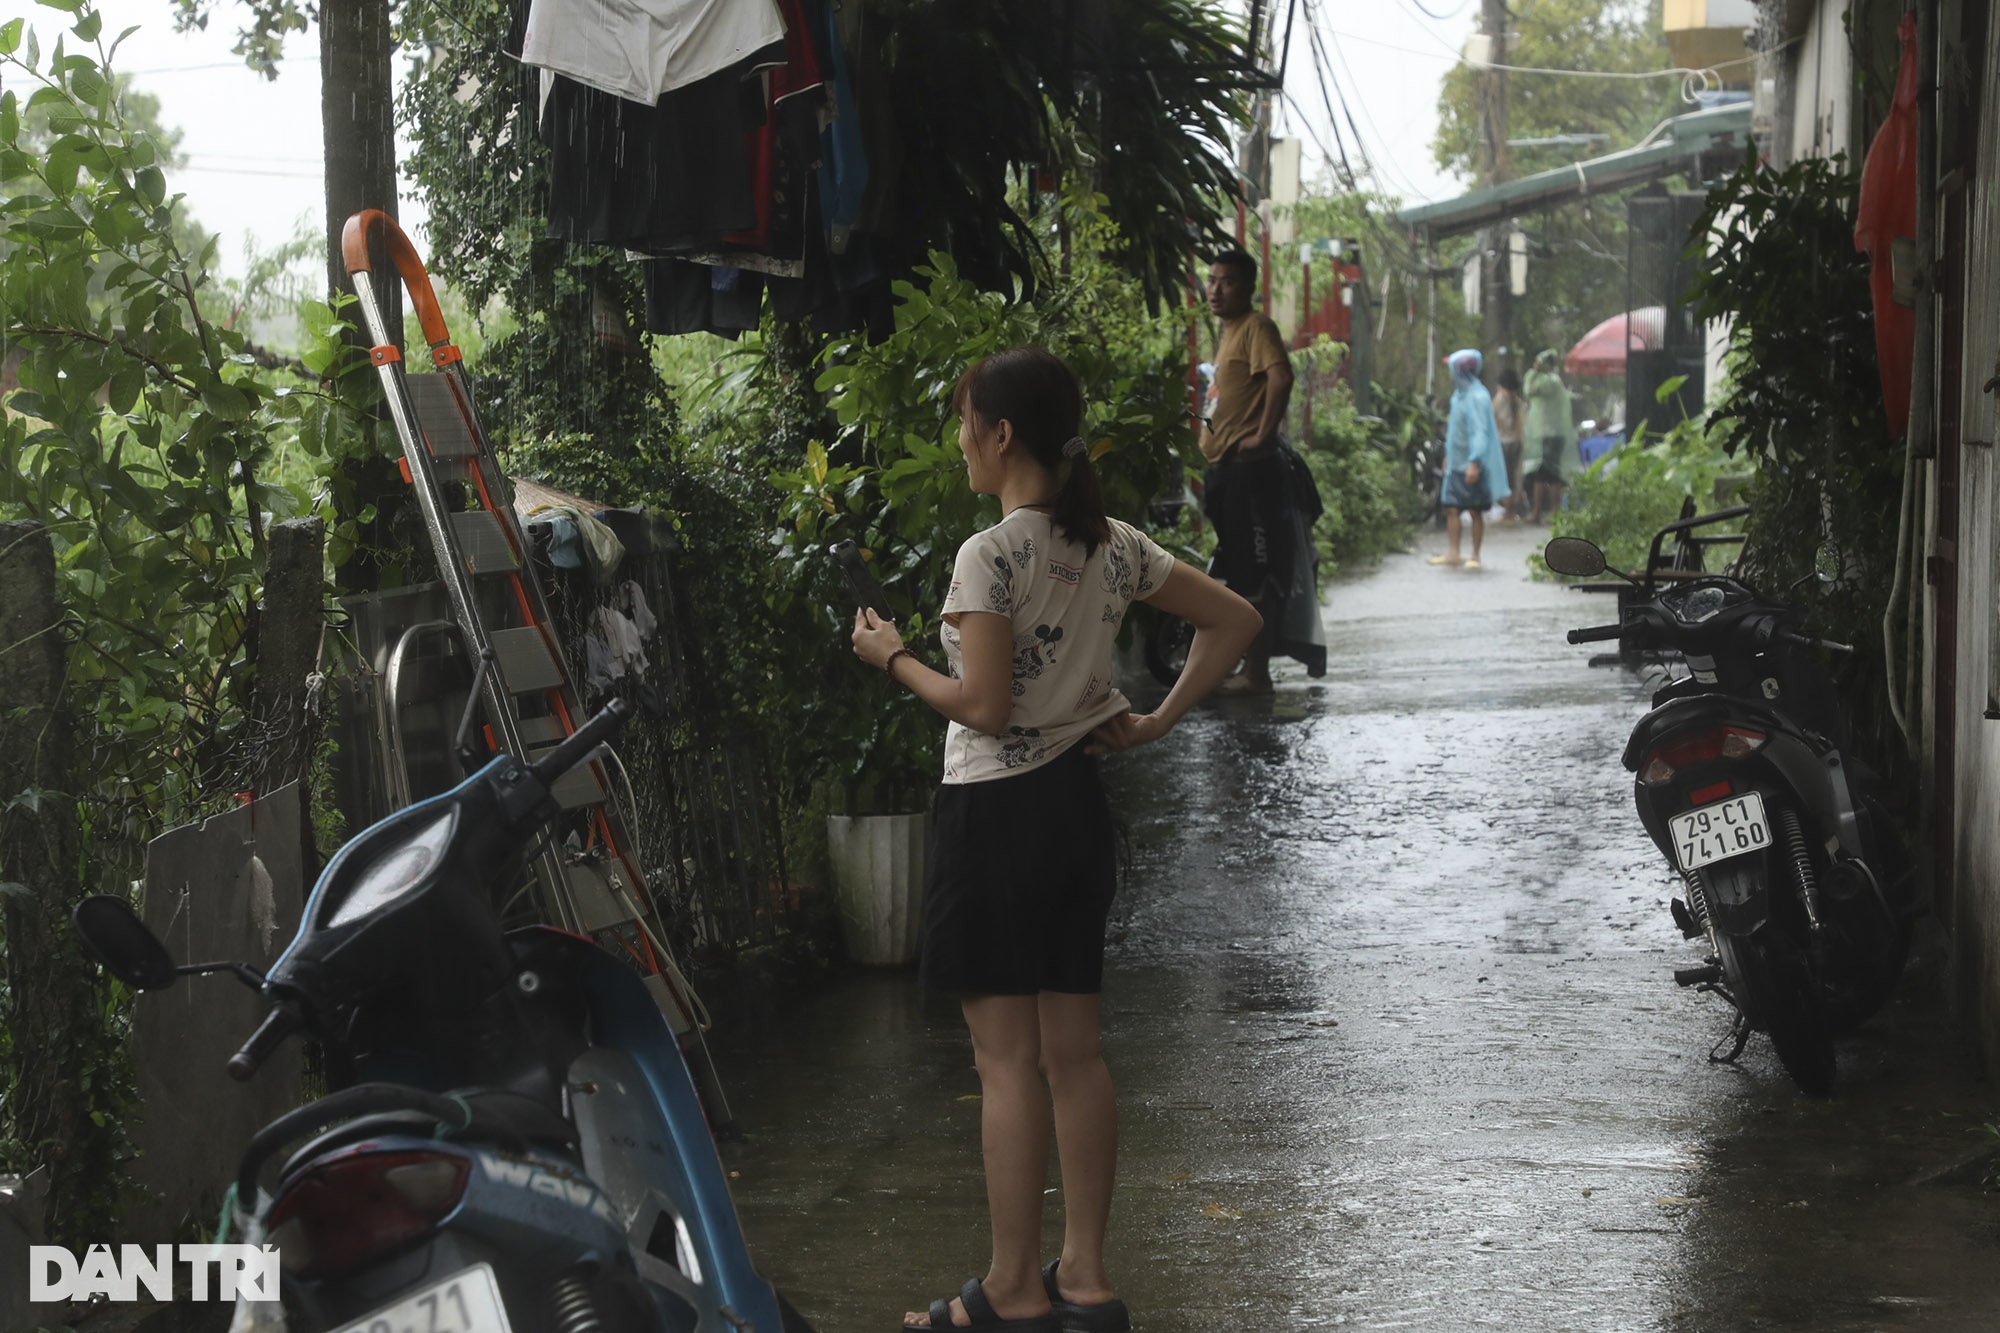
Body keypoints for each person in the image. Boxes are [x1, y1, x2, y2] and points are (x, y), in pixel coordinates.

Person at [850, 346, 1262, 1332]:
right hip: (1077, 812)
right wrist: (1156, 719)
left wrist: (893, 656)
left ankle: (1008, 1288)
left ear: (999, 436)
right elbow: (1237, 618)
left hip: (996, 816)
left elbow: (983, 707)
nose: (958, 442)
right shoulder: (1110, 542)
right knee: (1073, 1055)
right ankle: (1082, 1277)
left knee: (1003, 1063)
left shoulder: (988, 556)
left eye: (963, 424)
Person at [1198, 246, 1301, 694]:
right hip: (1226, 472)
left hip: (1251, 473)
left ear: (1248, 288)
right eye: (1212, 279)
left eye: (1228, 281)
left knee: (1258, 572)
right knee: (1238, 568)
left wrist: (1262, 435)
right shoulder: (1229, 331)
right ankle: (1244, 666)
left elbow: (1281, 376)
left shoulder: (1256, 327)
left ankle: (1257, 672)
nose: (1216, 290)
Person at [1426, 348, 1511, 569]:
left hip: (1473, 464)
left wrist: (1474, 462)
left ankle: (1475, 555)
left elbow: (1480, 432)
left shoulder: (1477, 397)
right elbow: (1456, 431)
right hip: (1456, 462)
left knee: (1475, 509)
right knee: (1452, 507)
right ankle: (1453, 552)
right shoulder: (1459, 396)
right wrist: (1448, 456)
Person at [1522, 348, 1578, 524]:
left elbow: (1528, 390)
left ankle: (1549, 512)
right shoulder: (1553, 380)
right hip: (1548, 434)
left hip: (1550, 434)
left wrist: (1533, 372)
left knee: (1550, 475)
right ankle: (1541, 512)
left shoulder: (1549, 381)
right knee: (1543, 474)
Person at [1491, 366, 1526, 520]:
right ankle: (1511, 508)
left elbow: (1492, 418)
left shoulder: (1499, 399)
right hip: (1516, 442)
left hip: (1503, 443)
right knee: (1513, 476)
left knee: (1505, 477)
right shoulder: (1517, 401)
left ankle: (1508, 510)